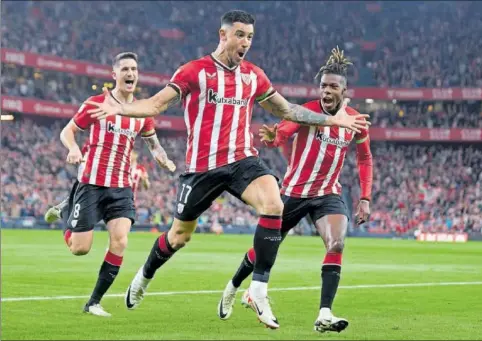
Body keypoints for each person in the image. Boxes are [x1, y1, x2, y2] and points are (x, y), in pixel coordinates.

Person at [85, 10, 370, 329]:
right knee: (179, 236)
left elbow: (287, 109)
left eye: (249, 36)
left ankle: (258, 291)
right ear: (223, 36)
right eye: (239, 35)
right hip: (202, 168)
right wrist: (121, 108)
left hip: (242, 160)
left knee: (274, 203)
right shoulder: (194, 71)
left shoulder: (254, 76)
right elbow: (155, 105)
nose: (245, 42)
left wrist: (333, 119)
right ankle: (145, 274)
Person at [218, 47, 373, 333]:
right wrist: (272, 137)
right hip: (292, 194)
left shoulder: (355, 122)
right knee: (263, 249)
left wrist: (364, 197)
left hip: (327, 195)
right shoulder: (306, 112)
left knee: (336, 243)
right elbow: (282, 133)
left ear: (345, 90)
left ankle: (324, 314)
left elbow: (364, 158)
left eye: (333, 86)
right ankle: (233, 285)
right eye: (323, 85)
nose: (326, 90)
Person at [60, 52, 175, 317]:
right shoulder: (96, 103)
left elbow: (153, 143)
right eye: (124, 69)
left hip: (121, 187)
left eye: (133, 69)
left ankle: (94, 303)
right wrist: (74, 147)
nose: (130, 73)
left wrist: (162, 157)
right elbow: (68, 131)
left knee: (120, 242)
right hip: (91, 182)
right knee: (80, 248)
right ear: (114, 75)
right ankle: (67, 211)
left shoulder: (141, 112)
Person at [44, 139, 90, 224]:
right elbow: (67, 132)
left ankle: (64, 207)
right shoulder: (96, 141)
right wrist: (73, 148)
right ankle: (61, 211)